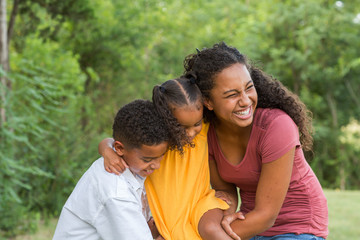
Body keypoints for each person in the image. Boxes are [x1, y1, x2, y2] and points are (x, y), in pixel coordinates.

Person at [183, 42, 328, 240]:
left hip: (298, 226)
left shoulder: (277, 126)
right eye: (232, 94)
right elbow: (225, 189)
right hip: (249, 222)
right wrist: (225, 212)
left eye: (248, 88)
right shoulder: (206, 133)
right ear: (208, 102)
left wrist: (212, 235)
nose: (245, 101)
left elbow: (266, 215)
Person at [99, 76, 243, 240]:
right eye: (182, 127)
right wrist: (106, 149)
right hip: (167, 217)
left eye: (196, 124)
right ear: (166, 121)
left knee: (211, 230)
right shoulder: (158, 142)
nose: (190, 133)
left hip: (201, 204)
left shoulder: (204, 130)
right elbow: (117, 142)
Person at [52, 99, 169, 240]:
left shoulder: (132, 163)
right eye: (147, 160)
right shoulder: (116, 193)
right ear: (119, 149)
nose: (157, 165)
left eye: (161, 156)